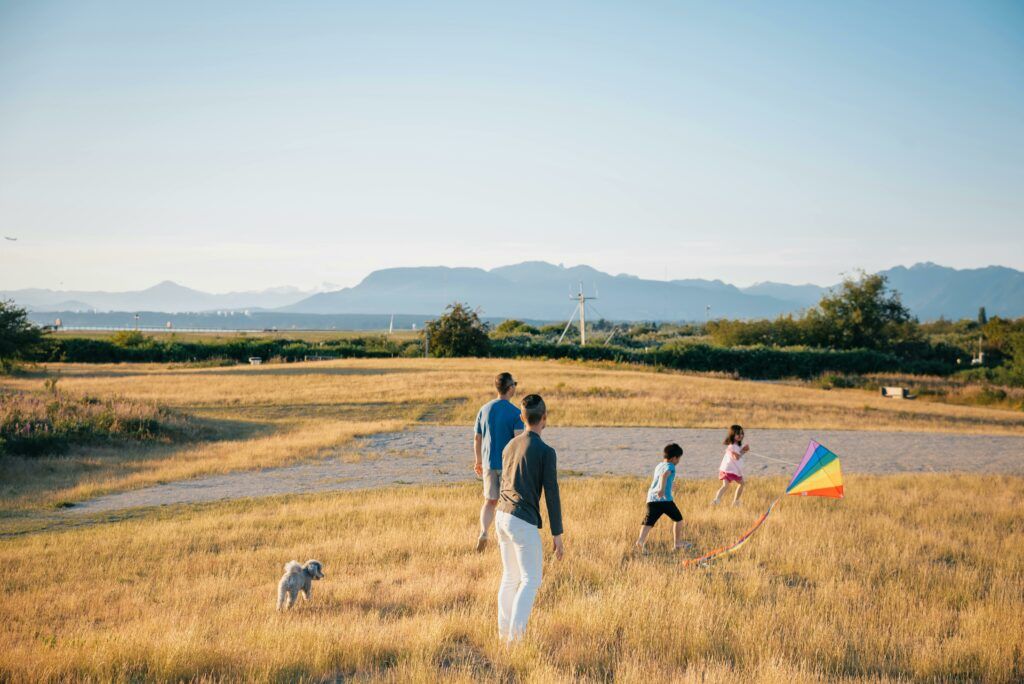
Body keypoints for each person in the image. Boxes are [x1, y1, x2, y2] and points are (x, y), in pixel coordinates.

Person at [495, 393, 564, 643]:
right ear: (544, 418)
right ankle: (515, 640)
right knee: (531, 580)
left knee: (510, 577)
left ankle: (504, 636)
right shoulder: (546, 451)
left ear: (522, 417)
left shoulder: (509, 446)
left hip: (501, 516)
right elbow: (552, 494)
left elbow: (504, 482)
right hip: (522, 521)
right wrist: (557, 533)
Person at [473, 372, 524, 551]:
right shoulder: (516, 413)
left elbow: (477, 438)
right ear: (510, 388)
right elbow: (518, 441)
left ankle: (484, 532)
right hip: (507, 465)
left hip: (487, 463)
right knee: (507, 502)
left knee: (489, 500)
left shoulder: (484, 409)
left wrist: (478, 461)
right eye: (514, 384)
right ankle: (502, 536)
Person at [635, 442, 687, 553]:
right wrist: (662, 489)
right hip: (664, 500)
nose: (678, 461)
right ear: (674, 458)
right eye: (678, 459)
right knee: (678, 520)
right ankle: (677, 544)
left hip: (652, 499)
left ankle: (640, 541)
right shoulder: (670, 466)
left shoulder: (659, 466)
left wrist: (669, 486)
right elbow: (664, 476)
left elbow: (661, 478)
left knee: (648, 522)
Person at [712, 424, 749, 506]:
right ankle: (716, 500)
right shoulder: (731, 446)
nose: (740, 435)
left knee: (741, 484)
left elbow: (739, 454)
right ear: (733, 435)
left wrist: (743, 449)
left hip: (734, 470)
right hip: (728, 470)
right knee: (726, 485)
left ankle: (735, 502)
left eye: (741, 433)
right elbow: (736, 457)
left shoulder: (737, 446)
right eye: (738, 434)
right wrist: (743, 451)